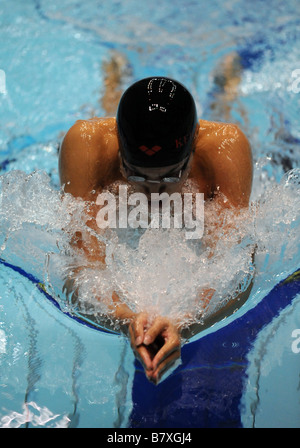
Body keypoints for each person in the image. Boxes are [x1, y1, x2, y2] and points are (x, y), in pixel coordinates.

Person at [59, 76, 253, 384]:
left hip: (206, 140)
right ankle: (112, 79)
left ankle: (224, 87)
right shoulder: (88, 146)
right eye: (135, 175)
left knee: (227, 110)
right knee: (108, 113)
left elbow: (235, 267)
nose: (152, 191)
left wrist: (185, 323)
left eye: (169, 176)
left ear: (192, 155)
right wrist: (125, 320)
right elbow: (80, 267)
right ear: (120, 157)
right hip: (114, 139)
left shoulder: (224, 149)